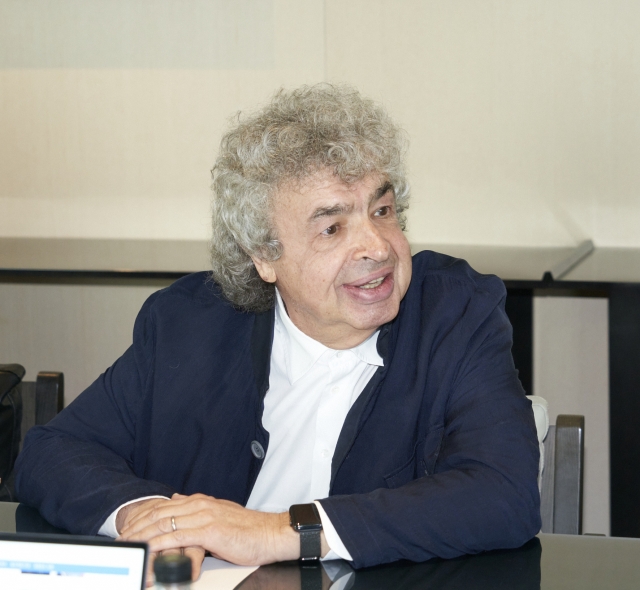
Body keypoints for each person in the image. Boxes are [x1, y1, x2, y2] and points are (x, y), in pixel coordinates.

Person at [15, 84, 540, 580]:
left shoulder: (455, 313)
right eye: (332, 228)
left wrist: (279, 531)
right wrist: (153, 517)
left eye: (382, 211)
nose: (378, 247)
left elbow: (502, 494)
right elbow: (51, 453)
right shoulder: (188, 325)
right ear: (264, 255)